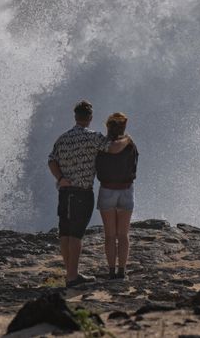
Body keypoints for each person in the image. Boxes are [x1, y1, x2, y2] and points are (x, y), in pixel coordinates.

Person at [48, 100, 133, 286]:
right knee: (76, 235)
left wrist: (60, 178)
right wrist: (127, 138)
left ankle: (70, 272)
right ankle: (72, 276)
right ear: (90, 118)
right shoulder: (93, 137)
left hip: (64, 191)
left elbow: (51, 160)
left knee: (65, 233)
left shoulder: (63, 138)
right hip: (82, 193)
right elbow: (113, 148)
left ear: (75, 116)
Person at [96, 112, 139, 280]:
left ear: (108, 127)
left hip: (107, 190)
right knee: (123, 235)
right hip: (126, 189)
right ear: (124, 126)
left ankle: (111, 270)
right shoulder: (130, 144)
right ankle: (122, 271)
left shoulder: (102, 145)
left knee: (109, 235)